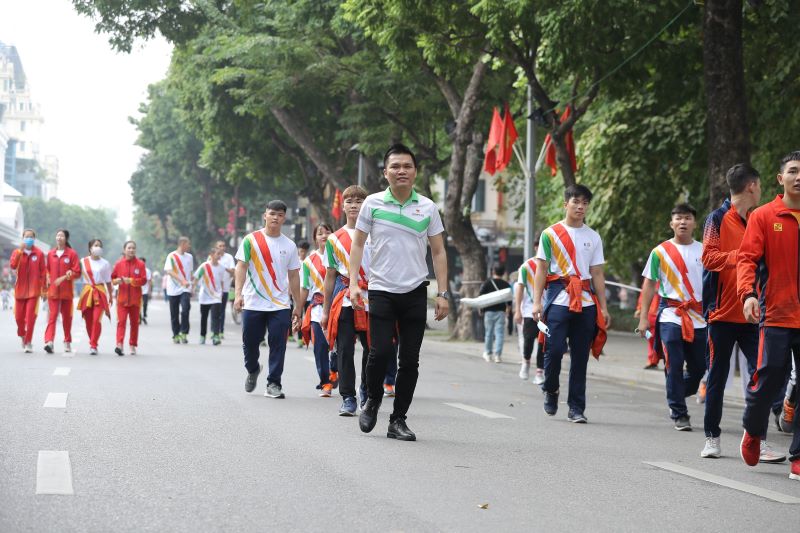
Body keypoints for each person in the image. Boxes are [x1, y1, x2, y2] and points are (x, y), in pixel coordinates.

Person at [350, 144, 449, 441]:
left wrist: (443, 293)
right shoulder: (372, 204)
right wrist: (354, 283)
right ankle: (373, 399)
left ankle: (398, 420)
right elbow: (357, 244)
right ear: (385, 173)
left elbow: (439, 252)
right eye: (395, 166)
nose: (401, 171)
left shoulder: (428, 208)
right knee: (379, 353)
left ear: (415, 171)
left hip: (415, 292)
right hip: (381, 290)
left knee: (409, 360)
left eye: (407, 166)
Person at [699, 164, 784, 461]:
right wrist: (744, 255)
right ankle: (712, 437)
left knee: (765, 376)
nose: (760, 192)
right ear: (751, 186)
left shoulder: (761, 220)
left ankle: (757, 439)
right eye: (759, 186)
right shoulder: (717, 218)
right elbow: (708, 258)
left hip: (754, 314)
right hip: (722, 314)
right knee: (718, 379)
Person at [737, 151, 800, 480]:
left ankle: (798, 456)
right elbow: (746, 259)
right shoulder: (764, 216)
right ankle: (753, 430)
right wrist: (747, 294)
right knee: (768, 379)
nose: (799, 176)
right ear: (781, 178)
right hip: (775, 313)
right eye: (793, 171)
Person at [532, 184, 609, 424]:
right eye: (576, 202)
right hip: (559, 298)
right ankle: (551, 389)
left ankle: (576, 407)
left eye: (585, 203)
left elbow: (596, 273)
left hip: (585, 301)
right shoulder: (550, 234)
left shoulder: (593, 236)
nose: (580, 207)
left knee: (580, 356)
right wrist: (536, 303)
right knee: (554, 351)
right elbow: (541, 270)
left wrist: (603, 307)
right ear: (566, 204)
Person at [638, 204, 706, 431]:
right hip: (671, 315)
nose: (683, 222)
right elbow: (648, 285)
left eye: (687, 218)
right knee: (673, 364)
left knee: (698, 370)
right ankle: (679, 412)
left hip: (699, 318)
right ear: (672, 223)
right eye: (678, 218)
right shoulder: (660, 252)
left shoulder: (705, 250)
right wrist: (644, 318)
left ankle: (674, 393)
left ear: (695, 223)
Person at [235, 200, 302, 399]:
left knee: (278, 344)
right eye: (272, 213)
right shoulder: (250, 240)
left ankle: (274, 383)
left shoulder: (289, 245)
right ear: (265, 215)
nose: (275, 217)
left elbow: (294, 276)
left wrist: (297, 305)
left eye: (280, 215)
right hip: (253, 301)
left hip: (279, 303)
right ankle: (253, 368)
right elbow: (241, 266)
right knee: (250, 342)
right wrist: (238, 294)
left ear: (284, 218)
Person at [321, 185, 373, 416]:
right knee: (344, 350)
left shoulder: (377, 232)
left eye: (359, 201)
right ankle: (348, 397)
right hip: (345, 299)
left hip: (374, 297)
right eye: (349, 201)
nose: (354, 205)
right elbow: (330, 276)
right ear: (343, 206)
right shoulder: (334, 239)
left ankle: (366, 389)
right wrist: (324, 311)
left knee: (373, 349)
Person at [300, 223, 334, 396]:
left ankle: (334, 370)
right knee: (320, 347)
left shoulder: (340, 255)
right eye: (320, 233)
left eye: (328, 232)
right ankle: (325, 382)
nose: (324, 235)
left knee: (338, 347)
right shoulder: (308, 262)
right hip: (317, 309)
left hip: (337, 307)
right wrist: (297, 311)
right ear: (315, 238)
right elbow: (305, 288)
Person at [44, 229, 80, 354]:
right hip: (53, 291)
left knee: (66, 318)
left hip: (67, 292)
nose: (59, 237)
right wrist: (48, 277)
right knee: (52, 317)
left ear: (66, 239)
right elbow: (47, 269)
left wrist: (70, 274)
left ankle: (67, 341)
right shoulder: (50, 254)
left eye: (62, 236)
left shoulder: (71, 254)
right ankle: (49, 341)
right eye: (57, 235)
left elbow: (77, 272)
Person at [10, 229, 46, 353]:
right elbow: (13, 265)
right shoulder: (17, 252)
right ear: (22, 238)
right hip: (20, 291)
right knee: (19, 318)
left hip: (34, 291)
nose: (29, 238)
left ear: (34, 239)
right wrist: (20, 251)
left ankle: (28, 342)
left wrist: (44, 290)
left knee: (30, 318)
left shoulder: (39, 254)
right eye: (26, 236)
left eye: (31, 237)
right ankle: (22, 335)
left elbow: (43, 273)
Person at [514, 249, 546, 384]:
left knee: (542, 343)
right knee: (528, 340)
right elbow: (520, 288)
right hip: (529, 309)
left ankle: (539, 372)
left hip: (547, 310)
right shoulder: (526, 266)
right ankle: (526, 361)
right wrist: (517, 310)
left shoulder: (553, 265)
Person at [77, 239, 113, 355]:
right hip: (87, 291)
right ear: (90, 248)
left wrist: (111, 296)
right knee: (88, 320)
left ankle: (93, 345)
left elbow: (108, 281)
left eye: (100, 246)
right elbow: (75, 273)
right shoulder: (83, 261)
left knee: (96, 320)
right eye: (95, 245)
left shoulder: (105, 263)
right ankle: (92, 340)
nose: (98, 247)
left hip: (100, 291)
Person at [111, 240, 147, 356]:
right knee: (121, 322)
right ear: (124, 250)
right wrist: (116, 281)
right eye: (129, 248)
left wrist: (131, 281)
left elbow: (143, 280)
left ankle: (132, 345)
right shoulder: (119, 264)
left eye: (133, 248)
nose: (131, 250)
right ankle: (119, 345)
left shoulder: (140, 264)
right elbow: (112, 279)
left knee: (134, 323)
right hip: (122, 299)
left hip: (135, 300)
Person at [478, 265, 511, 363]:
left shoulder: (487, 283)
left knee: (489, 333)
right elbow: (509, 299)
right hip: (501, 311)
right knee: (500, 334)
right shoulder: (506, 284)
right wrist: (508, 309)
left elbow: (481, 296)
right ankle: (498, 355)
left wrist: (481, 308)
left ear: (493, 272)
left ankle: (488, 354)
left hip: (489, 311)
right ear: (504, 273)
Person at [165, 236, 194, 344]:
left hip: (185, 289)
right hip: (173, 289)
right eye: (188, 244)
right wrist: (181, 280)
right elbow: (169, 271)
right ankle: (176, 334)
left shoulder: (189, 257)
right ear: (182, 244)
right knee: (174, 313)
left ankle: (184, 332)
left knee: (186, 309)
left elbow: (190, 272)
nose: (189, 246)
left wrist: (191, 286)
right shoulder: (171, 256)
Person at [194, 248, 225, 345]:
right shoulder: (204, 266)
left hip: (216, 296)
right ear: (211, 255)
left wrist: (222, 292)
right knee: (204, 317)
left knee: (216, 317)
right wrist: (192, 289)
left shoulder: (221, 267)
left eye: (220, 254)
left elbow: (221, 281)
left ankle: (215, 336)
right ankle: (202, 336)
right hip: (205, 295)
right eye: (217, 254)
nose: (219, 256)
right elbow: (196, 278)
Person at [634, 284, 661, 369]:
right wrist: (639, 308)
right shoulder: (651, 276)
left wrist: (660, 291)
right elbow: (644, 293)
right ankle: (652, 360)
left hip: (666, 312)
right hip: (651, 312)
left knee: (668, 339)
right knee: (651, 338)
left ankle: (672, 362)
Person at [215, 240, 236, 340]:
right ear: (216, 247)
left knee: (222, 310)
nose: (222, 247)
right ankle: (214, 330)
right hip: (214, 289)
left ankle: (221, 331)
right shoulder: (212, 257)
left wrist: (224, 267)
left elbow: (233, 271)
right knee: (215, 310)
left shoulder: (229, 258)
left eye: (223, 246)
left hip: (225, 288)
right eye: (220, 246)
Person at [140, 258, 152, 325]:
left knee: (145, 304)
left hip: (145, 291)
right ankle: (139, 317)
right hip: (137, 291)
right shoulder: (136, 270)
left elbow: (149, 281)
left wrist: (149, 291)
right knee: (138, 305)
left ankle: (144, 315)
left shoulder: (147, 271)